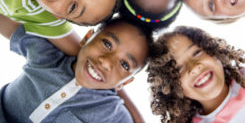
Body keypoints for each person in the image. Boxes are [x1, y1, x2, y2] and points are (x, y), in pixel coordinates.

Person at [0, 14, 152, 123]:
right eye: (107, 44)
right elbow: (7, 22)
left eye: (124, 65)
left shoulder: (114, 116)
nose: (106, 62)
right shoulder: (48, 54)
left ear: (124, 83)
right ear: (86, 38)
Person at [147, 26, 245, 123]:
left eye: (196, 52)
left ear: (214, 52)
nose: (194, 68)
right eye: (178, 69)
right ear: (171, 89)